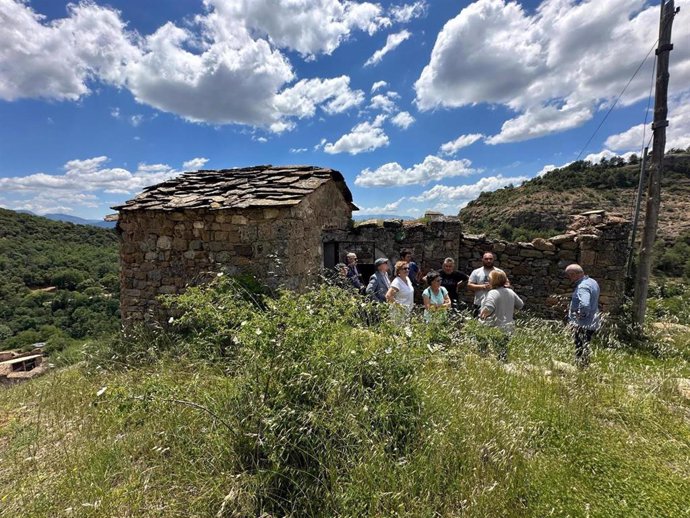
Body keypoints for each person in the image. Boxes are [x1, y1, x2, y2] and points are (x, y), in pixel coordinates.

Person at [479, 270, 524, 361]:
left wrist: (481, 315)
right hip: (508, 328)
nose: (489, 280)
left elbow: (488, 308)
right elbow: (520, 305)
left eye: (490, 279)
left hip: (494, 328)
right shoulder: (510, 292)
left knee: (488, 355)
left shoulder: (493, 293)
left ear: (494, 280)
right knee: (503, 355)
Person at [565, 264, 600, 368]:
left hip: (583, 323)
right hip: (593, 321)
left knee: (579, 346)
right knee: (585, 345)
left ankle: (580, 368)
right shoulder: (592, 282)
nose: (569, 278)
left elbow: (585, 304)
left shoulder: (583, 286)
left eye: (569, 276)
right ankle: (585, 365)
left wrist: (580, 316)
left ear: (574, 274)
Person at [468, 251, 506, 317]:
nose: (488, 261)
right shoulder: (476, 272)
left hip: (496, 304)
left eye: (490, 259)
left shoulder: (500, 272)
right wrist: (483, 287)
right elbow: (469, 285)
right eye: (486, 259)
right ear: (482, 260)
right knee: (477, 325)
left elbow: (507, 284)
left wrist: (495, 287)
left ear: (493, 260)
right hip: (479, 303)